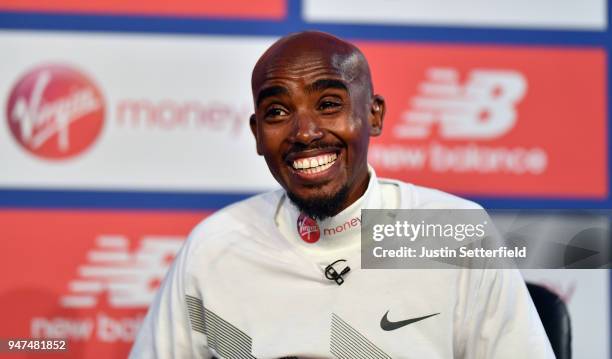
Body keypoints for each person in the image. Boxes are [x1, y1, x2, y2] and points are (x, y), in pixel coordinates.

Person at [130, 31, 554, 358]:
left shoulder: (448, 233)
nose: (305, 132)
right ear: (257, 134)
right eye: (277, 112)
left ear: (373, 115)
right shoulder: (215, 246)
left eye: (329, 103)